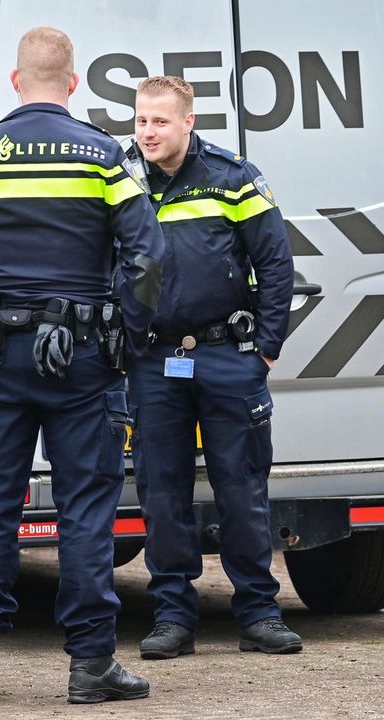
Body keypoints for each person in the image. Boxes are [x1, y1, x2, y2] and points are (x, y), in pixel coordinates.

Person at [0, 27, 164, 704]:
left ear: (14, 81)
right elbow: (145, 257)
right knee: (85, 509)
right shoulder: (101, 155)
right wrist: (130, 337)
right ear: (75, 84)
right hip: (82, 358)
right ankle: (91, 667)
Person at [124, 76, 300, 659]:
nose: (148, 132)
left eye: (160, 121)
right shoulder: (120, 181)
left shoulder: (234, 178)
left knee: (242, 488)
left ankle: (258, 613)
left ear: (188, 123)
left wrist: (267, 347)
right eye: (141, 121)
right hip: (154, 359)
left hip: (227, 356)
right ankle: (173, 618)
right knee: (161, 492)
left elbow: (276, 264)